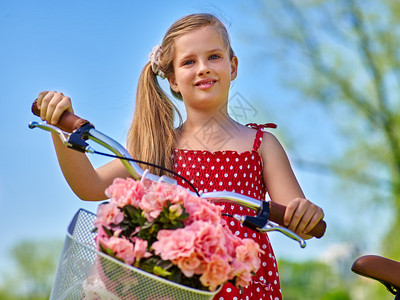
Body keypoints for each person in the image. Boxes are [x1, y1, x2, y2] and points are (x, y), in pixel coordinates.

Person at [36, 13, 324, 300]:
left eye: (214, 56)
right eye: (189, 62)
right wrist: (56, 127)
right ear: (173, 78)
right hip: (176, 287)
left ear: (232, 66)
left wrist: (305, 214)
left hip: (245, 286)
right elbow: (89, 185)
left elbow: (294, 216)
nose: (203, 69)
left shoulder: (262, 145)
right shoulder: (158, 147)